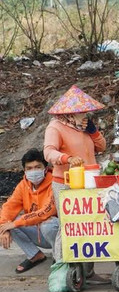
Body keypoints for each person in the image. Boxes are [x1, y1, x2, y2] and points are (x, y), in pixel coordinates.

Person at [43, 85, 106, 281]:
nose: (85, 115)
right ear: (70, 113)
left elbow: (101, 147)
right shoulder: (55, 127)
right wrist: (66, 158)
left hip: (89, 181)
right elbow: (48, 152)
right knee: (68, 224)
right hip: (65, 183)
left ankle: (88, 271)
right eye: (81, 112)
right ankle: (61, 268)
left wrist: (93, 131)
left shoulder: (84, 127)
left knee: (90, 224)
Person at [0, 149, 58, 273]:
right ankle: (34, 255)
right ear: (25, 171)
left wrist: (16, 223)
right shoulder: (23, 185)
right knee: (9, 222)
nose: (34, 171)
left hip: (57, 233)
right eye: (29, 168)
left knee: (49, 223)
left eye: (38, 167)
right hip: (37, 233)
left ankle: (59, 256)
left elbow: (47, 211)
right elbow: (9, 206)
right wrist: (4, 228)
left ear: (45, 168)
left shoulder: (55, 183)